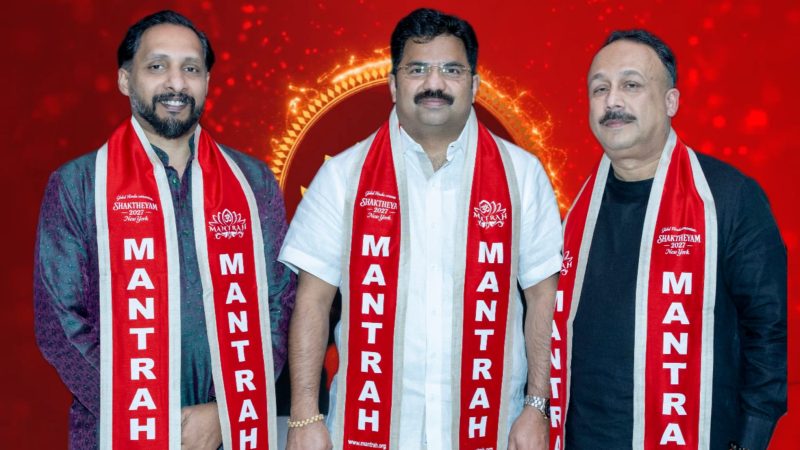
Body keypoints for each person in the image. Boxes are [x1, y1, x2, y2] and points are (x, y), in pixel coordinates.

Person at [279, 7, 562, 450]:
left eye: (451, 70)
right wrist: (303, 417)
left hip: (492, 426)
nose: (434, 83)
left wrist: (538, 406)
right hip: (369, 427)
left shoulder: (522, 176)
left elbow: (545, 298)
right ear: (393, 85)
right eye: (417, 70)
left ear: (475, 85)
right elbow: (313, 301)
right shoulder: (342, 177)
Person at [34, 10, 295, 449]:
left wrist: (225, 411)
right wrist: (147, 412)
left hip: (231, 428)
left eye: (191, 69)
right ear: (125, 79)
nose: (176, 83)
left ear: (207, 82)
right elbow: (60, 326)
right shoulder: (79, 184)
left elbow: (280, 303)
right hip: (117, 428)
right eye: (157, 66)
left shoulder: (253, 183)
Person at [550, 29, 787, 450]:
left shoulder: (728, 198)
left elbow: (767, 333)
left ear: (671, 101)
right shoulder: (575, 212)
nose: (612, 101)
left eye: (631, 85)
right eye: (600, 88)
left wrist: (749, 441)